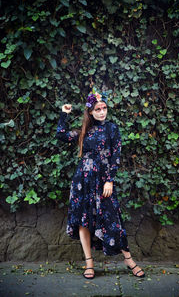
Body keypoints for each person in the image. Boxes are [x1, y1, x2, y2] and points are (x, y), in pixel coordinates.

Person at [55, 88, 145, 279]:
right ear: (90, 112)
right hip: (83, 181)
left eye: (104, 108)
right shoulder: (84, 131)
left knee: (113, 219)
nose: (102, 112)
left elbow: (116, 156)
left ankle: (129, 260)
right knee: (83, 222)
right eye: (98, 109)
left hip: (103, 181)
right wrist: (64, 113)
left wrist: (109, 180)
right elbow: (61, 134)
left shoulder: (112, 129)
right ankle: (89, 264)